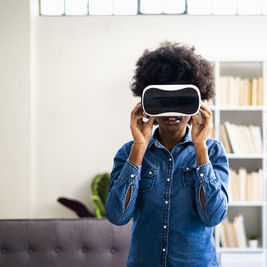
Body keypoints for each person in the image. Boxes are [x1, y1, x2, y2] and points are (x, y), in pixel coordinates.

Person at [105, 42, 230, 267]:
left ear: (197, 101)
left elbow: (213, 216)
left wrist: (200, 148)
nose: (172, 113)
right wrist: (139, 150)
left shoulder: (212, 151)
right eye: (163, 101)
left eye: (181, 101)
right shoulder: (129, 152)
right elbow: (117, 216)